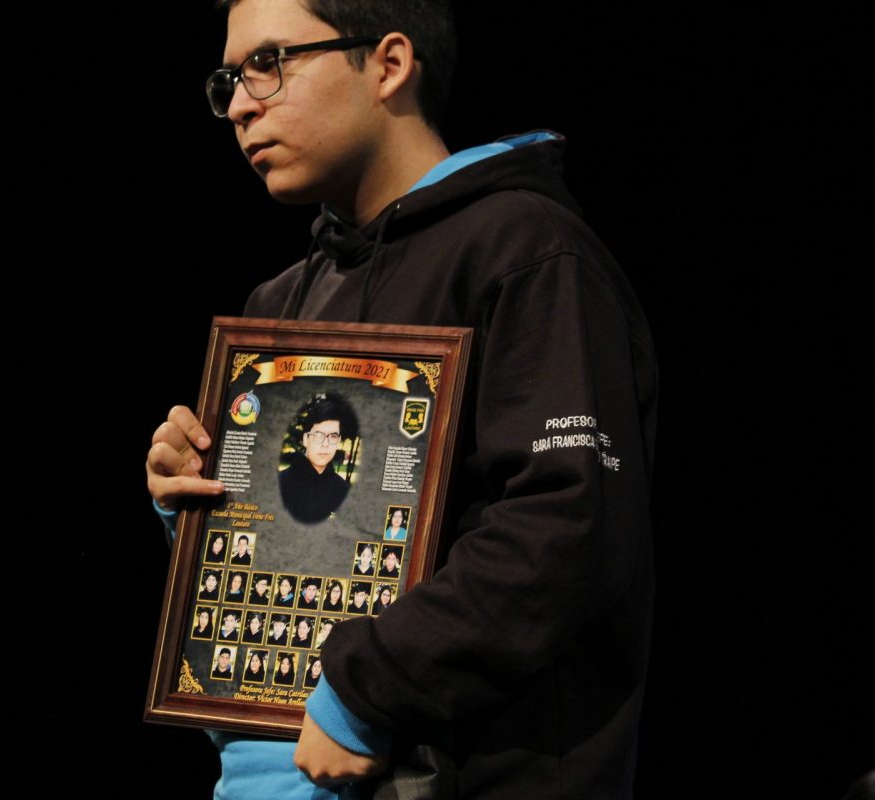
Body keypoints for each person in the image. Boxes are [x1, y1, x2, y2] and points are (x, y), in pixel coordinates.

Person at [146, 1, 657, 796]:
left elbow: (566, 524)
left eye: (269, 63)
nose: (241, 104)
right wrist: (202, 505)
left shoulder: (525, 250)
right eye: (230, 79)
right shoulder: (281, 301)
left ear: (388, 65)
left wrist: (368, 689)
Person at [275, 393, 358, 524]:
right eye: (319, 435)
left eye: (333, 437)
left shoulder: (343, 490)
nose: (325, 444)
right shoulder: (280, 484)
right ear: (306, 439)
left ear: (338, 441)